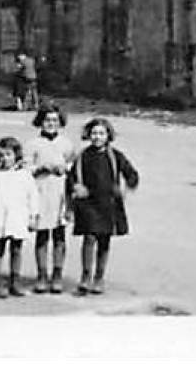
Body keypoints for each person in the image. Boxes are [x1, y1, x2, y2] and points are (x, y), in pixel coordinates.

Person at [68, 116, 140, 296]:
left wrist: (125, 186)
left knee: (104, 241)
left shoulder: (115, 156)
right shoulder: (83, 156)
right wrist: (76, 186)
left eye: (101, 133)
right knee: (89, 238)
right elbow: (71, 178)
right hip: (88, 204)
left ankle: (99, 278)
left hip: (108, 204)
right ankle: (85, 277)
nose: (97, 137)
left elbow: (131, 174)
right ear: (88, 135)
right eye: (94, 133)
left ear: (108, 135)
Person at [26, 103, 78, 293]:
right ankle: (42, 275)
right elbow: (25, 168)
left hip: (60, 192)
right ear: (40, 121)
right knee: (42, 235)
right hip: (40, 192)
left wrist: (66, 168)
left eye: (55, 120)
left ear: (60, 122)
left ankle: (57, 274)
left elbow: (74, 164)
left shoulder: (66, 143)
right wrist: (41, 168)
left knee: (59, 234)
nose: (51, 123)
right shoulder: (33, 144)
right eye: (47, 120)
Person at [0, 136, 39, 298]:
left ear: (16, 155)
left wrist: (33, 216)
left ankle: (15, 282)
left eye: (9, 155)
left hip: (18, 216)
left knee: (16, 249)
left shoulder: (24, 175)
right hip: (0, 216)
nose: (5, 159)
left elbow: (33, 195)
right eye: (2, 155)